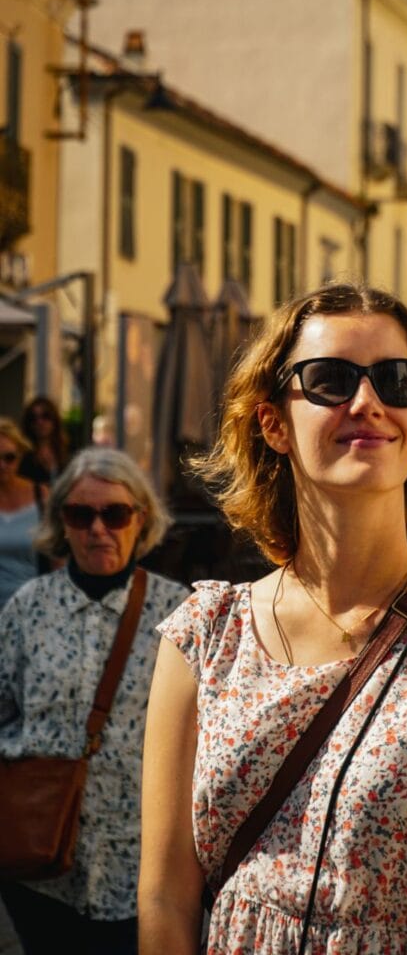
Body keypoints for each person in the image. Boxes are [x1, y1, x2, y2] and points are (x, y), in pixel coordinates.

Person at [138, 281, 407, 955]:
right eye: (330, 379)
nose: (368, 402)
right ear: (273, 422)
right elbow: (162, 900)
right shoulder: (205, 633)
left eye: (398, 380)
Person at [0, 447, 190, 955]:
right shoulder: (29, 609)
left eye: (115, 513)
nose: (98, 529)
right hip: (40, 868)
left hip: (142, 870)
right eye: (81, 515)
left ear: (141, 519)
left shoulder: (180, 613)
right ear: (62, 521)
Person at [0, 418, 47, 608]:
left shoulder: (41, 496)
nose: (2, 465)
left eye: (9, 457)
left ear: (20, 457)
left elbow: (58, 561)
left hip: (31, 609)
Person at [19, 396, 70, 485]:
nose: (40, 422)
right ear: (28, 423)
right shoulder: (23, 454)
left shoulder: (66, 452)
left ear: (54, 420)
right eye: (33, 418)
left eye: (46, 416)